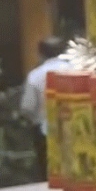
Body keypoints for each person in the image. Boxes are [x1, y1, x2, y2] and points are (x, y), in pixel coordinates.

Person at [18, 36, 69, 176]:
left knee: (49, 172)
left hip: (45, 130)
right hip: (76, 128)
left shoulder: (35, 76)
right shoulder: (76, 70)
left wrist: (36, 118)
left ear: (41, 54)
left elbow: (27, 107)